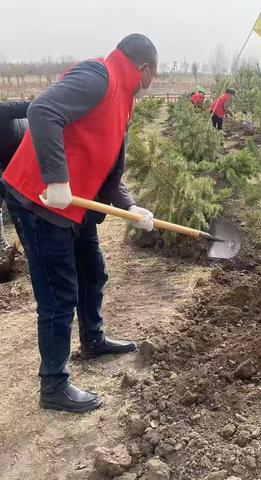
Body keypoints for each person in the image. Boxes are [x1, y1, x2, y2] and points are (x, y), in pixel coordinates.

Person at [1, 34, 158, 413]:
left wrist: (132, 208)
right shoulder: (99, 76)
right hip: (40, 202)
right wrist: (56, 178)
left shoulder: (123, 100)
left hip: (76, 207)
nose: (154, 82)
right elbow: (41, 111)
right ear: (144, 69)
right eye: (155, 74)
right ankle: (53, 384)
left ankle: (93, 339)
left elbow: (107, 167)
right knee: (58, 296)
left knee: (93, 272)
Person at [0, 101, 29, 250]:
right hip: (7, 167)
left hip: (27, 159)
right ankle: (2, 246)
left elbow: (38, 106)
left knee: (19, 208)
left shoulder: (4, 110)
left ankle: (30, 250)